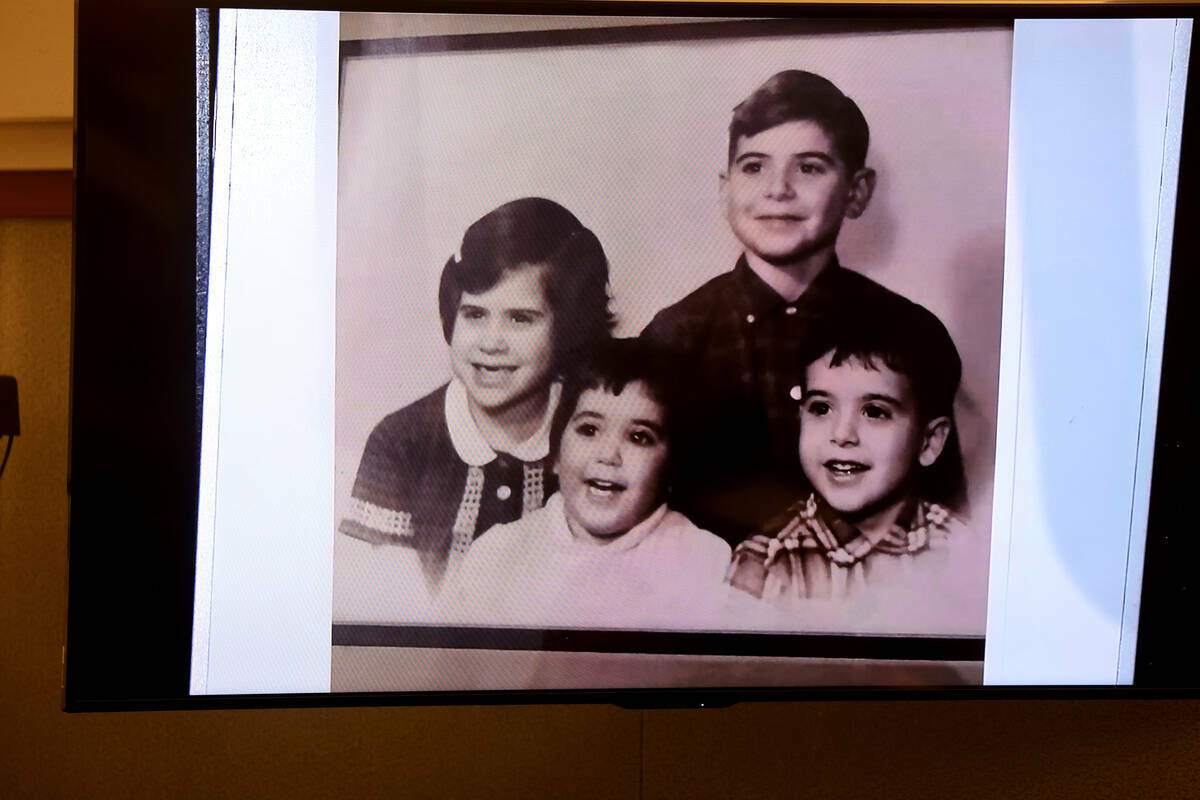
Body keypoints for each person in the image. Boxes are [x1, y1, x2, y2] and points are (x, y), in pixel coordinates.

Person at [641, 69, 914, 545]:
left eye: (808, 167)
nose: (777, 189)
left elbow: (940, 520)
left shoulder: (909, 333)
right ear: (725, 189)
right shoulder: (673, 338)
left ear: (857, 191)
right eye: (754, 167)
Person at [339, 198, 613, 594]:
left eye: (520, 318)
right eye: (475, 314)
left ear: (568, 329)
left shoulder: (593, 435)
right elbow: (377, 601)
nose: (490, 342)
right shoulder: (401, 443)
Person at [725, 300, 988, 634]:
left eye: (875, 412)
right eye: (821, 408)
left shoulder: (964, 553)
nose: (842, 434)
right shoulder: (765, 563)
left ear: (929, 442)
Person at [441, 338, 731, 630]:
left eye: (639, 437)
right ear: (555, 453)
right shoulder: (497, 554)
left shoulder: (702, 561)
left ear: (670, 468)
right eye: (589, 429)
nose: (608, 455)